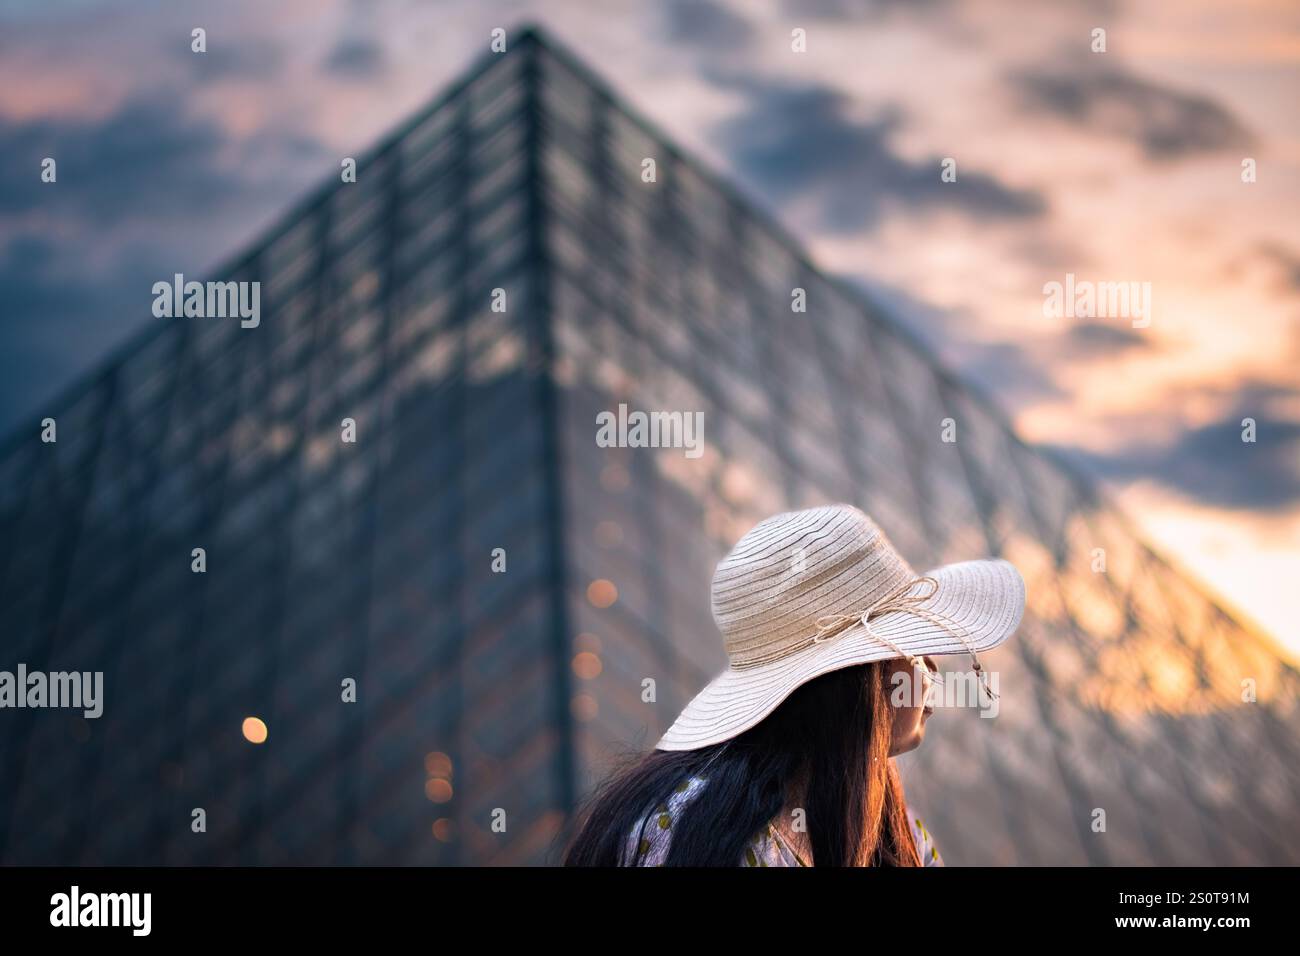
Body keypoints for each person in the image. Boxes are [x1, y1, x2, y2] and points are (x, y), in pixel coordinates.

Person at [564, 503, 1026, 866]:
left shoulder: (896, 830)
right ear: (855, 678)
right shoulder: (688, 835)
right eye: (911, 642)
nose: (932, 665)